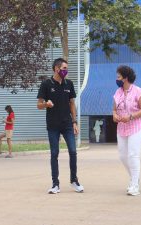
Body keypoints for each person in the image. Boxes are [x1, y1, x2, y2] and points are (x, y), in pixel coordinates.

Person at [37, 58, 84, 194]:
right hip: (53, 125)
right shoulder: (46, 84)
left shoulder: (69, 84)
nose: (65, 71)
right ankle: (55, 184)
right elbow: (38, 104)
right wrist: (46, 104)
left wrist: (74, 122)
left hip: (67, 124)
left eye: (66, 68)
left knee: (73, 151)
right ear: (56, 69)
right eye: (63, 68)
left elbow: (72, 104)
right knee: (54, 153)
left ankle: (74, 180)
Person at [113, 65, 141, 196]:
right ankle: (135, 177)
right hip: (122, 127)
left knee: (133, 154)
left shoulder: (138, 91)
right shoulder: (118, 92)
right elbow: (114, 109)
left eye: (119, 77)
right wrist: (115, 116)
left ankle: (134, 185)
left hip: (137, 126)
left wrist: (131, 116)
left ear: (126, 78)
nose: (116, 79)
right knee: (123, 156)